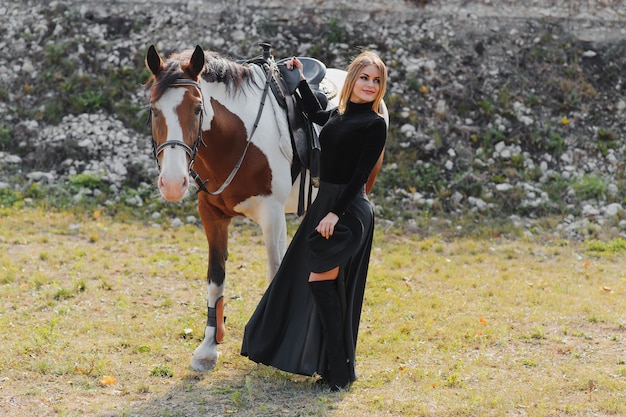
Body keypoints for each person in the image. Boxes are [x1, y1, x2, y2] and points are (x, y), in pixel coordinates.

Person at [241, 50, 388, 391]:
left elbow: (361, 175)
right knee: (319, 285)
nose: (370, 85)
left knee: (322, 285)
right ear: (353, 79)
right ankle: (334, 368)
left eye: (376, 80)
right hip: (326, 206)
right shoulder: (339, 116)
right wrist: (301, 83)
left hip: (348, 210)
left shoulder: (375, 123)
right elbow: (316, 114)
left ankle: (339, 373)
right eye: (364, 77)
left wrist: (336, 213)